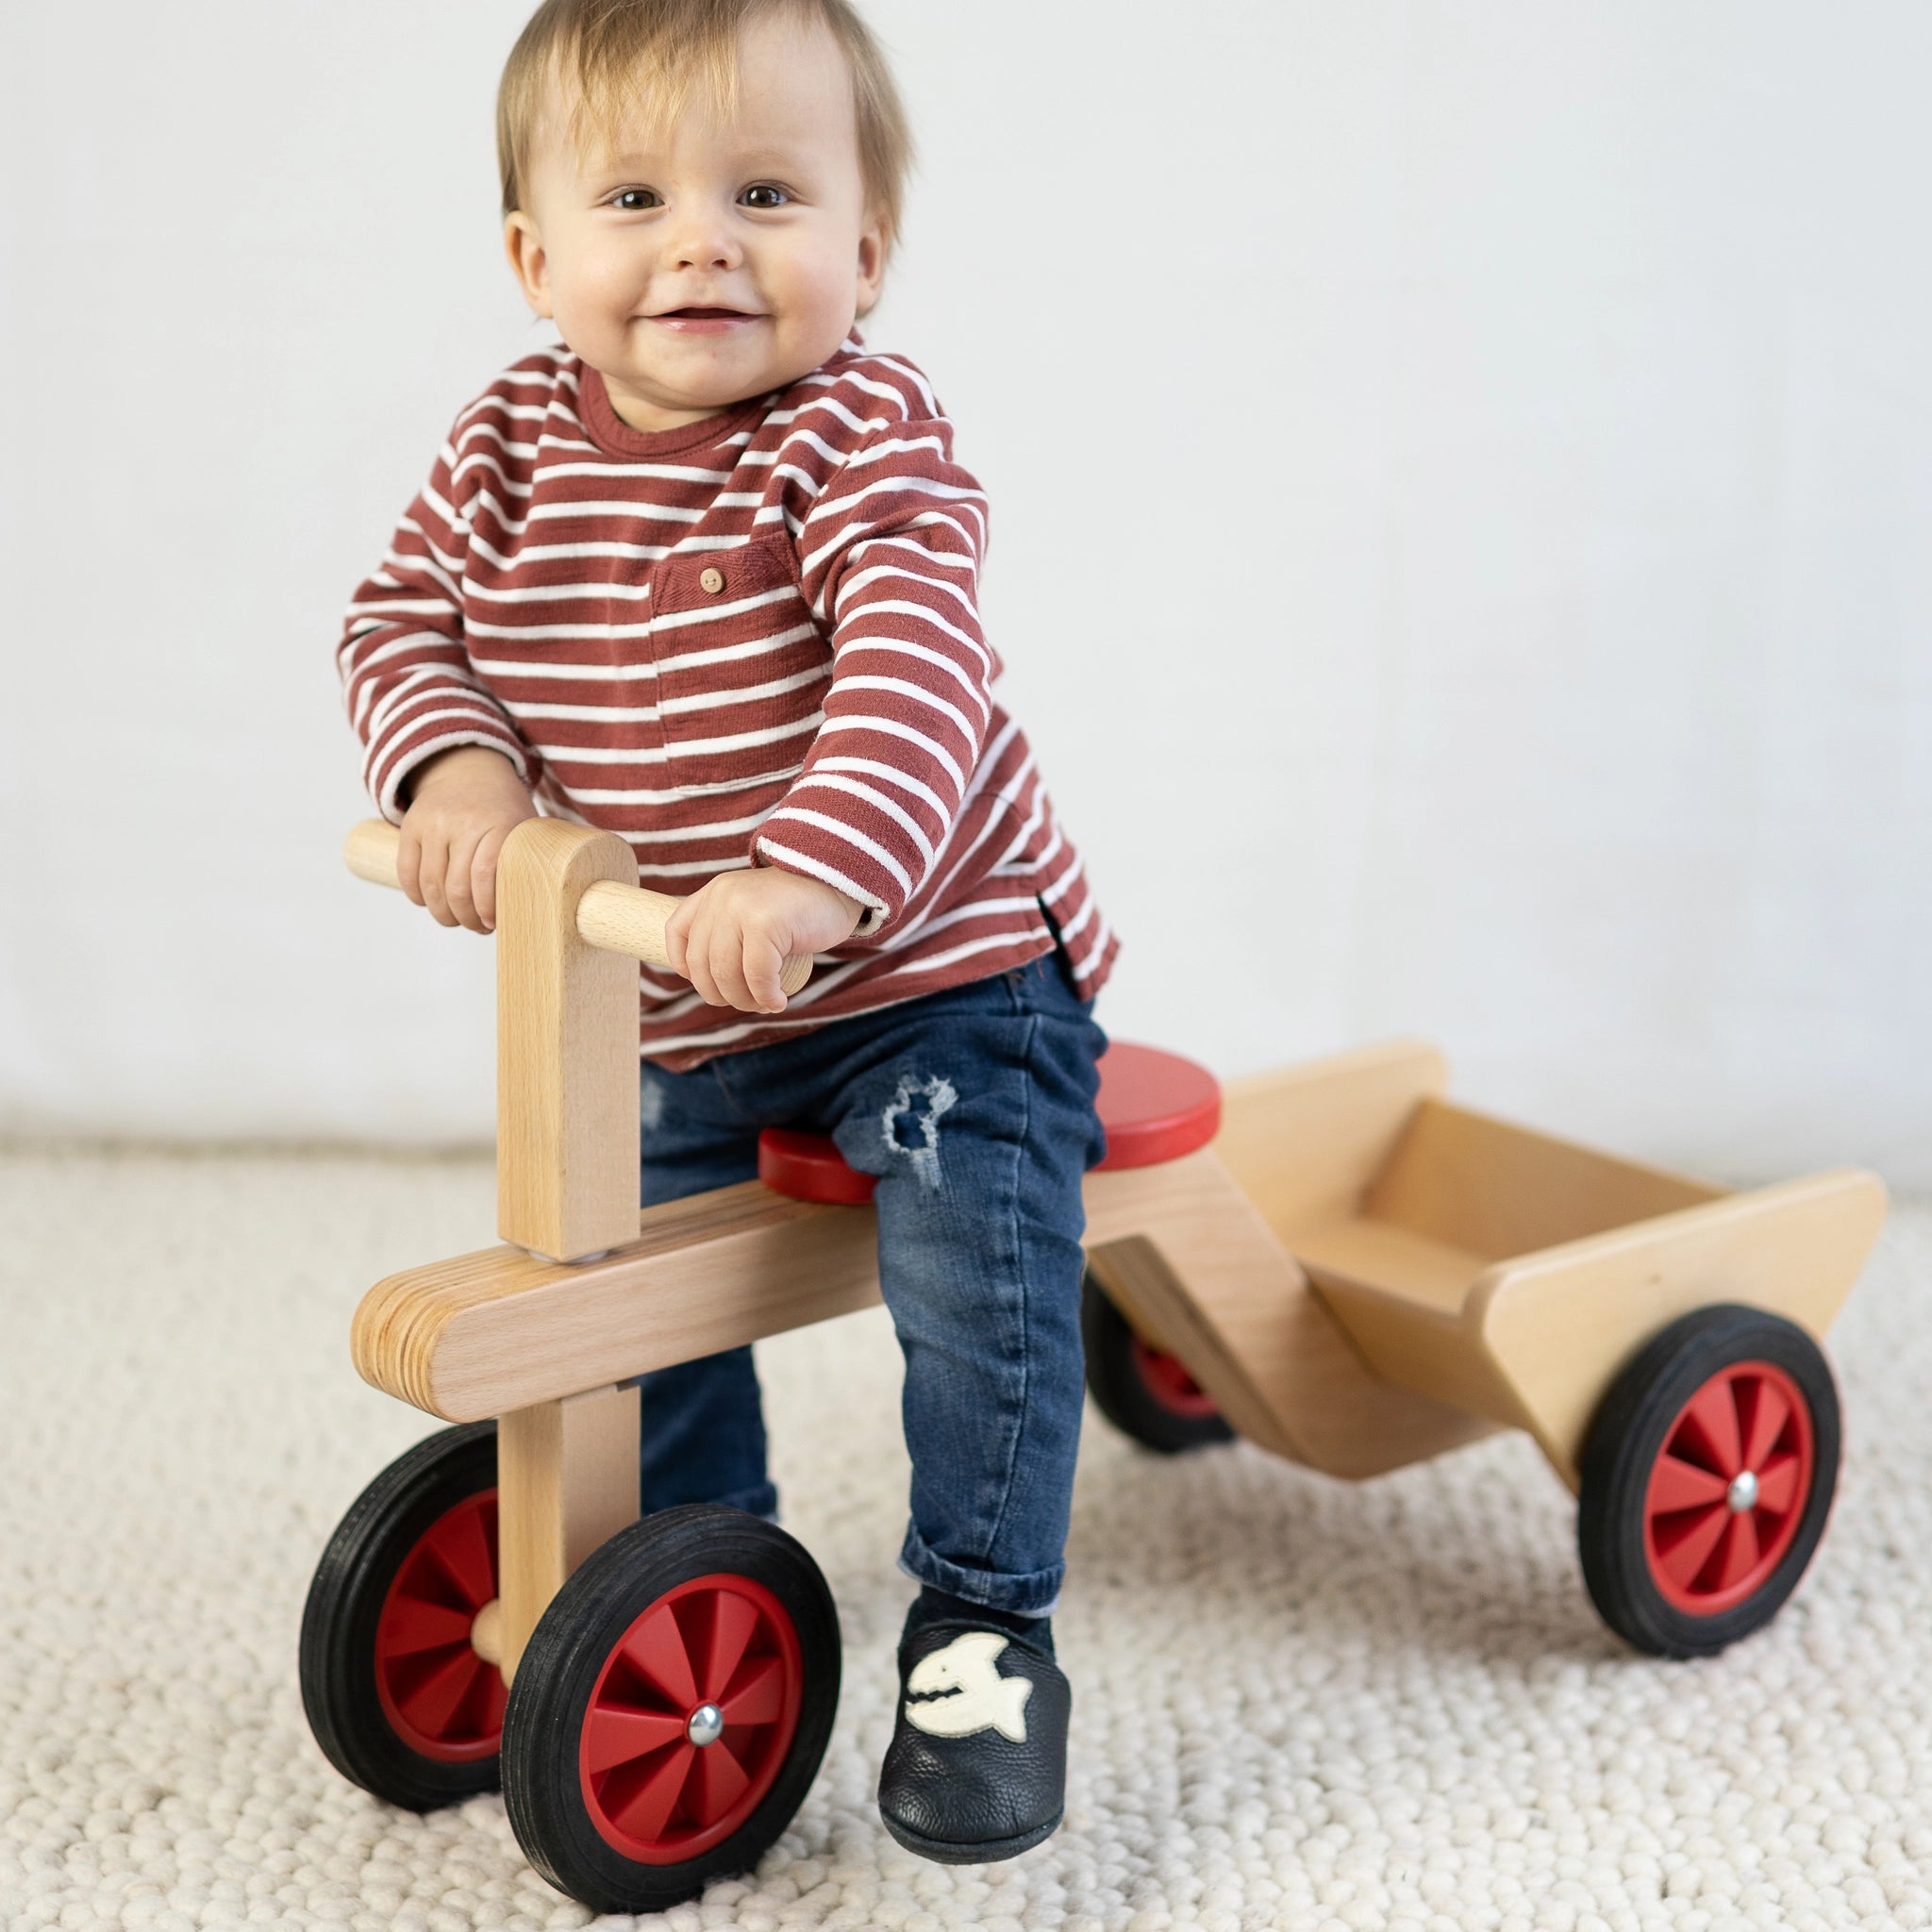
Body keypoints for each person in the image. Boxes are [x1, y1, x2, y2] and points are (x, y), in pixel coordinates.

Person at [337, 0, 1117, 1865]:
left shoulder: (864, 434)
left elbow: (913, 676)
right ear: (536, 257)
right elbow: (399, 621)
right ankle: (687, 1569)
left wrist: (810, 876)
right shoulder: (510, 445)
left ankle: (984, 1623)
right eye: (632, 195)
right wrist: (453, 775)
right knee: (634, 1294)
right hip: (672, 997)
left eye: (765, 191)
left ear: (865, 247)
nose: (700, 238)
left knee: (970, 1257)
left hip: (933, 980)